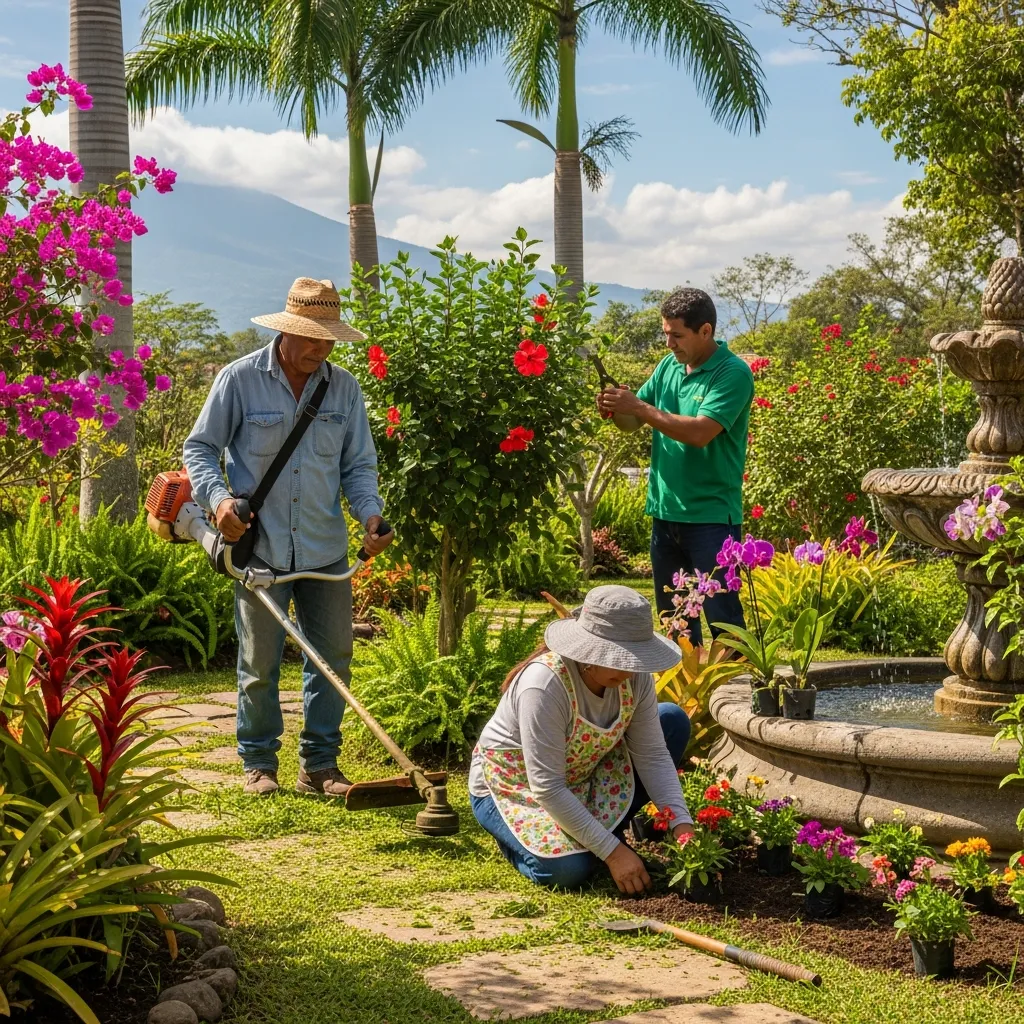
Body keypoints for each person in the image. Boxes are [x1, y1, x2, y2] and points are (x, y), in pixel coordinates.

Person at [183, 277, 394, 797]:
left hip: (325, 549)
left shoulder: (343, 388)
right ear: (287, 332)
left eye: (328, 341)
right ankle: (259, 763)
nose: (319, 350)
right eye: (311, 339)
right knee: (259, 662)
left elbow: (359, 466)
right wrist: (218, 502)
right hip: (261, 548)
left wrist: (370, 516)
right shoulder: (239, 379)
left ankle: (320, 764)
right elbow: (200, 448)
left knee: (334, 660)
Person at [469, 585, 694, 892]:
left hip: (582, 774)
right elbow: (547, 787)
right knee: (568, 871)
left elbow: (652, 753)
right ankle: (521, 841)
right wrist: (613, 854)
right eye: (619, 657)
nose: (629, 669)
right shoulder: (545, 685)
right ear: (590, 649)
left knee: (672, 721)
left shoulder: (634, 675)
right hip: (515, 786)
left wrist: (682, 825)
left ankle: (594, 836)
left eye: (634, 658)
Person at [597, 288, 753, 644]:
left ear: (706, 331)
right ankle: (687, 698)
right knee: (675, 621)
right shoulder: (668, 366)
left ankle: (742, 696)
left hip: (712, 518)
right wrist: (616, 408)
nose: (669, 343)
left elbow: (700, 432)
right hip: (665, 514)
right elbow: (632, 424)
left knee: (723, 619)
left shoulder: (733, 373)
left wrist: (638, 408)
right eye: (665, 333)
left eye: (677, 335)